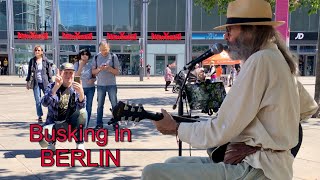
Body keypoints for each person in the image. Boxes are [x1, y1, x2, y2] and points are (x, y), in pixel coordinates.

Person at [141, 0, 319, 179]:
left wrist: (176, 128)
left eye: (229, 31)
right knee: (172, 163)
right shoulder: (277, 57)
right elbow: (306, 109)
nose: (226, 37)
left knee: (152, 173)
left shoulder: (260, 60)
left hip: (260, 170)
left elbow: (221, 129)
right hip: (267, 166)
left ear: (250, 31)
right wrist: (266, 141)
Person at [41, 62, 87, 151]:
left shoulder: (76, 87)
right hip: (55, 122)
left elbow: (81, 106)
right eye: (65, 72)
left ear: (74, 74)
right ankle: (51, 142)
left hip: (70, 123)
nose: (68, 75)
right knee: (43, 143)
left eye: (71, 73)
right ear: (60, 73)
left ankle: (80, 142)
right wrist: (55, 88)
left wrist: (81, 93)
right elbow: (44, 103)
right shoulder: (51, 86)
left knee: (83, 113)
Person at [92, 41, 120, 130]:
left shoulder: (113, 56)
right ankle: (99, 123)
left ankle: (115, 122)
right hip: (100, 85)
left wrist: (109, 68)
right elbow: (93, 72)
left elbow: (117, 72)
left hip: (111, 84)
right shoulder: (96, 57)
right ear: (99, 49)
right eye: (102, 49)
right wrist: (99, 69)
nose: (104, 51)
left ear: (109, 48)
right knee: (100, 105)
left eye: (106, 49)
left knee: (114, 105)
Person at [26, 45, 52, 123]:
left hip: (45, 83)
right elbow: (29, 72)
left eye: (39, 50)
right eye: (36, 50)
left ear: (42, 52)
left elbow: (49, 73)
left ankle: (51, 115)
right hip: (36, 83)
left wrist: (51, 84)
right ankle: (40, 116)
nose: (37, 51)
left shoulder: (46, 60)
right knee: (38, 100)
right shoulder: (32, 61)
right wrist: (27, 82)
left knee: (49, 99)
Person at [74, 49, 95, 127]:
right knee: (79, 107)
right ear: (80, 56)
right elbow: (75, 76)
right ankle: (78, 124)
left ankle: (86, 126)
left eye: (86, 54)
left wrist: (92, 80)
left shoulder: (91, 65)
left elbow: (94, 77)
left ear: (88, 56)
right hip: (80, 88)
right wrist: (81, 66)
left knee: (88, 108)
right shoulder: (76, 64)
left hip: (90, 88)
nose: (84, 56)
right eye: (83, 54)